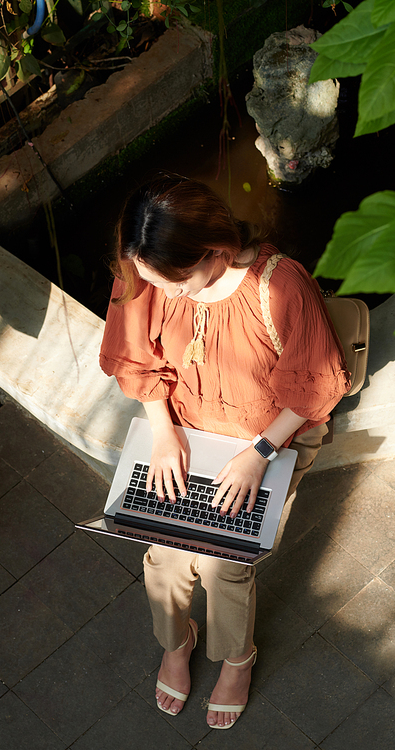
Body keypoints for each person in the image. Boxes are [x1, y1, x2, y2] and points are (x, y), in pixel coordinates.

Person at [99, 174, 350, 729]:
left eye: (177, 282)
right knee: (162, 551)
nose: (165, 292)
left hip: (269, 437)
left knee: (221, 563)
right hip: (187, 428)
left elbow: (315, 386)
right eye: (148, 279)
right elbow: (138, 364)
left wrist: (257, 453)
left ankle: (237, 657)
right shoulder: (144, 272)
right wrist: (163, 431)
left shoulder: (278, 286)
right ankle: (177, 639)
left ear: (214, 251)